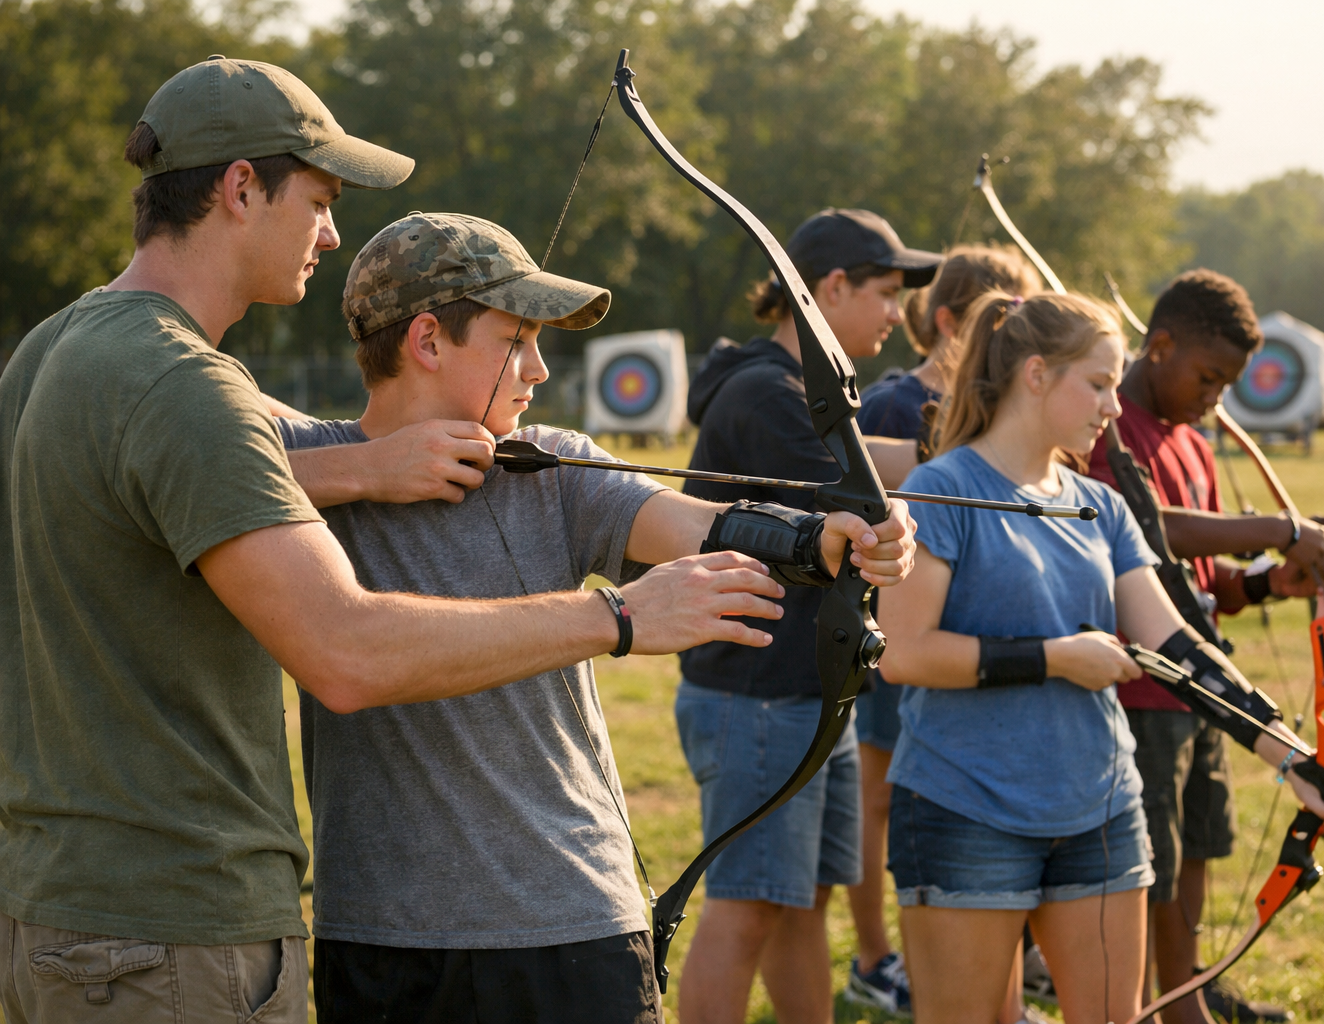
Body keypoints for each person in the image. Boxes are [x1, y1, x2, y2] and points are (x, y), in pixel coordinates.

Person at [0, 59, 896, 1024]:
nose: (330, 230)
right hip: (279, 930)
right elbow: (331, 629)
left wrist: (824, 536)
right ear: (241, 188)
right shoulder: (222, 407)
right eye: (319, 198)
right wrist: (619, 615)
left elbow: (703, 523)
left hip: (545, 922)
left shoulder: (58, 352)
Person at [266, 211, 917, 1023]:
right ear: (427, 341)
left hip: (574, 918)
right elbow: (170, 463)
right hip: (385, 937)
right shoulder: (290, 462)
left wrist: (823, 539)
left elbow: (696, 523)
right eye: (517, 340)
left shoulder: (549, 463)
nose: (539, 368)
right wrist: (364, 469)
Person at [875, 291, 1324, 1024]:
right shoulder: (943, 489)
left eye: (1115, 384)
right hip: (963, 810)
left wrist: (1292, 755)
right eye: (1098, 384)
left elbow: (1176, 645)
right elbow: (905, 655)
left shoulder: (1100, 505)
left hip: (1099, 809)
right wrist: (1053, 658)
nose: (1112, 405)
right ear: (1035, 375)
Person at [674, 208, 941, 1024]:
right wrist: (972, 436)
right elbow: (863, 488)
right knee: (748, 904)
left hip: (802, 686)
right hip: (757, 692)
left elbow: (879, 460)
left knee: (803, 901)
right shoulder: (768, 395)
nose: (899, 316)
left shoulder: (798, 394)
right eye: (887, 293)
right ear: (830, 287)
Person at [1086, 269, 1324, 1024]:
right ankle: (1146, 1006)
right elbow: (1142, 528)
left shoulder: (1193, 444)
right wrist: (1275, 530)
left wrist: (1272, 582)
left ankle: (1185, 997)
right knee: (1154, 865)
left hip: (1204, 686)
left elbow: (1201, 584)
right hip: (1144, 684)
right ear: (1159, 345)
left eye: (1228, 385)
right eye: (1208, 377)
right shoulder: (1107, 429)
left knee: (1197, 847)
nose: (1215, 399)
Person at [845, 243, 1041, 1021]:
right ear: (953, 322)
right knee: (885, 798)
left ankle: (997, 973)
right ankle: (876, 957)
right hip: (905, 629)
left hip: (974, 645)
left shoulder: (1007, 406)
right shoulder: (896, 405)